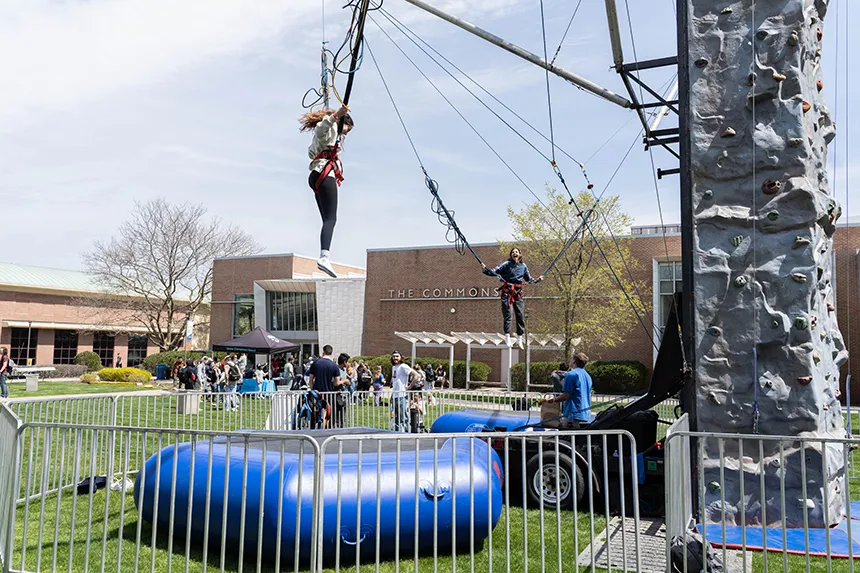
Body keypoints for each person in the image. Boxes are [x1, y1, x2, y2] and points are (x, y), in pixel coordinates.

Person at [299, 105, 354, 278]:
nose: (345, 135)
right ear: (340, 123)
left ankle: (324, 255)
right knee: (331, 219)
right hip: (324, 174)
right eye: (346, 130)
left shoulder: (322, 138)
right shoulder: (327, 128)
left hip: (315, 175)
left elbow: (311, 151)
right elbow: (324, 126)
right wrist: (337, 115)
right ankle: (324, 256)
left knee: (326, 221)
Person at [482, 247, 544, 348]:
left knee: (520, 315)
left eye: (516, 252)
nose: (515, 253)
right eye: (513, 252)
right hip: (507, 292)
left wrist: (538, 280)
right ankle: (507, 336)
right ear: (511, 255)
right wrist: (485, 269)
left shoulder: (523, 266)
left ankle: (519, 338)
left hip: (518, 292)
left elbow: (529, 279)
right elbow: (495, 271)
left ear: (519, 254)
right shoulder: (506, 264)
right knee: (508, 315)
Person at [544, 352, 593, 428]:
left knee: (566, 434)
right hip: (585, 411)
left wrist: (553, 400)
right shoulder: (587, 376)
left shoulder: (571, 375)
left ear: (574, 361)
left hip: (573, 412)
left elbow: (566, 395)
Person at [308, 345, 344, 427]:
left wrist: (312, 389)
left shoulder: (315, 363)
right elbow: (336, 383)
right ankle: (328, 428)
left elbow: (310, 380)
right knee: (328, 413)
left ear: (323, 352)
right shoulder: (334, 366)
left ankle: (313, 427)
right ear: (331, 353)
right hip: (329, 394)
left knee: (314, 412)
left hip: (317, 393)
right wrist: (344, 381)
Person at [390, 351, 418, 432]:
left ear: (401, 357)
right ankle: (397, 432)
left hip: (402, 395)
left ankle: (406, 432)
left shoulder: (403, 366)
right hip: (395, 394)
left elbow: (416, 375)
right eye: (394, 356)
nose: (395, 358)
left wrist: (409, 387)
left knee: (403, 416)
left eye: (397, 356)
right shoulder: (394, 367)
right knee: (396, 417)